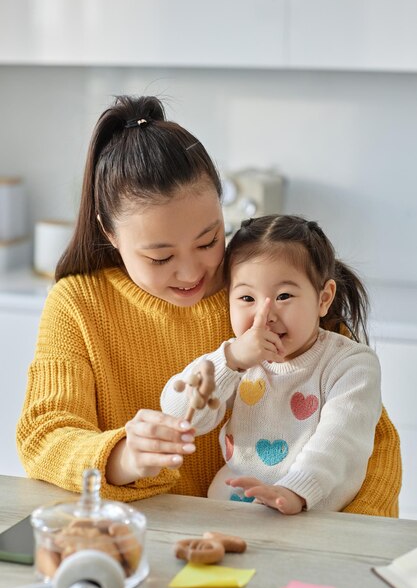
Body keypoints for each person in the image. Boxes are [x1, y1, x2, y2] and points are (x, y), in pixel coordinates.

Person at [16, 95, 401, 515]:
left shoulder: (264, 292)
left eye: (208, 240)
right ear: (109, 232)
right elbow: (44, 434)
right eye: (160, 257)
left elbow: (369, 440)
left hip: (282, 538)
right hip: (148, 540)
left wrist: (342, 545)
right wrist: (122, 456)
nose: (190, 272)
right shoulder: (78, 305)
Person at [161, 214, 383, 514]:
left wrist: (294, 490)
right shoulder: (237, 360)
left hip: (308, 513)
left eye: (283, 296)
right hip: (232, 509)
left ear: (323, 298)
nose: (264, 316)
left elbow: (340, 442)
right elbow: (179, 416)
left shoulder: (351, 364)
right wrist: (231, 360)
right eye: (246, 298)